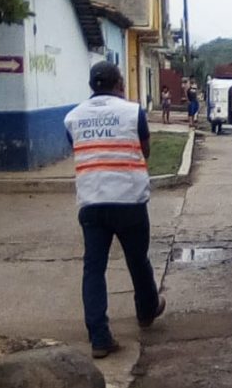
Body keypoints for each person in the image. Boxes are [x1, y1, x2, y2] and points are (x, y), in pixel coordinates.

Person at [63, 61, 166, 359]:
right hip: (128, 199)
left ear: (91, 86)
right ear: (119, 83)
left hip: (92, 201)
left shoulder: (72, 117)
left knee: (93, 268)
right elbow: (144, 150)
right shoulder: (133, 112)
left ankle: (99, 337)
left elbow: (79, 148)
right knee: (137, 259)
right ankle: (146, 310)